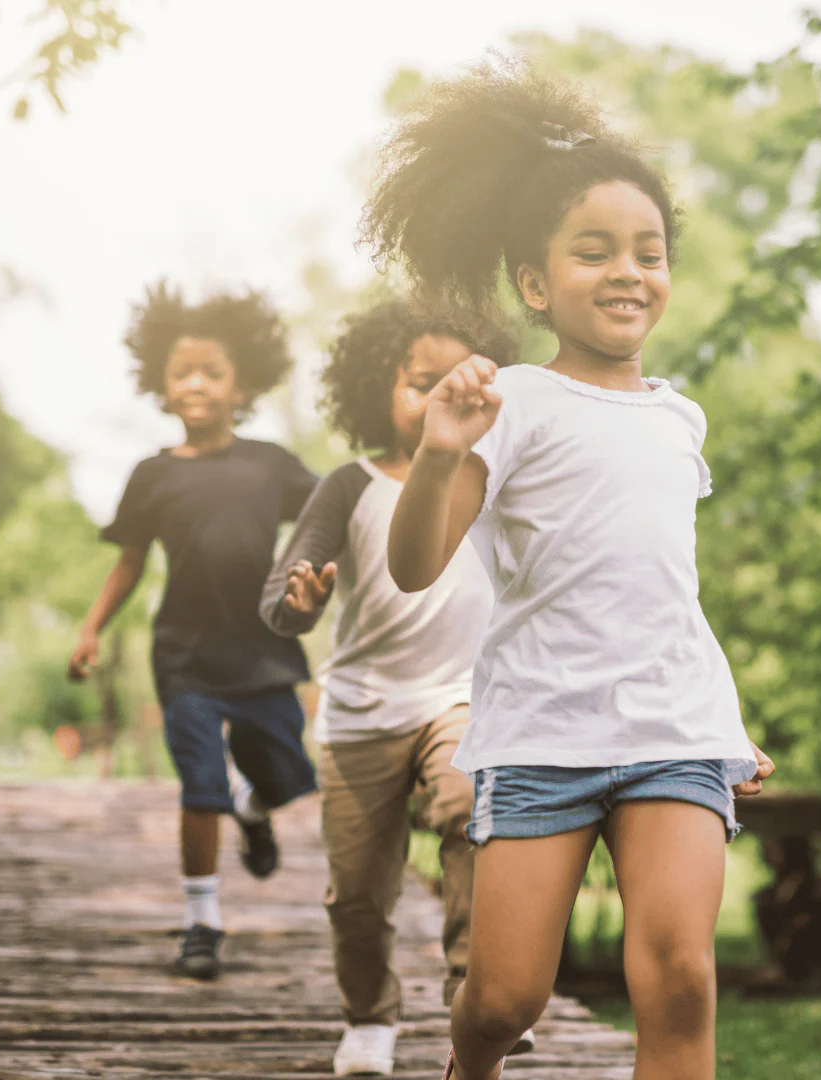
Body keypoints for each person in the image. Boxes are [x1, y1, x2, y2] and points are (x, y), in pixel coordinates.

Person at [362, 60, 776, 1080]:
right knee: (505, 998)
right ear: (538, 283)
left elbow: (660, 586)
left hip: (672, 731)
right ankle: (472, 1065)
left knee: (680, 978)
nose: (629, 270)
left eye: (649, 250)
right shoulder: (512, 402)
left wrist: (725, 722)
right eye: (595, 253)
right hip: (544, 732)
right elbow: (415, 566)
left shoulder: (681, 417)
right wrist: (441, 451)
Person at [259, 299, 529, 1078]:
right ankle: (369, 1017)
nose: (438, 396)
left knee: (470, 816)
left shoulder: (495, 481)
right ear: (380, 389)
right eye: (418, 382)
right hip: (362, 711)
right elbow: (279, 593)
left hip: (462, 698)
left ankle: (476, 1001)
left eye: (456, 380)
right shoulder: (350, 484)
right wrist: (297, 601)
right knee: (357, 892)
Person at [68, 282, 318, 981]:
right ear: (162, 386)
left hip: (265, 650)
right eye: (184, 373)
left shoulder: (272, 464)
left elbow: (333, 515)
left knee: (290, 775)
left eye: (213, 371)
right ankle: (201, 921)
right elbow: (129, 563)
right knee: (198, 784)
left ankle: (254, 805)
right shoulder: (151, 476)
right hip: (185, 657)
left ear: (242, 385)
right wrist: (90, 629)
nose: (198, 383)